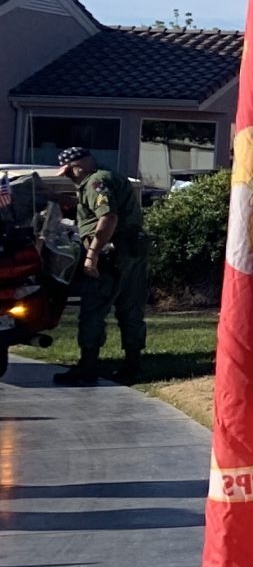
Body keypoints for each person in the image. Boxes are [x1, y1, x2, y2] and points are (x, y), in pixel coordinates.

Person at [53, 146, 147, 387]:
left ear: (78, 166)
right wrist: (74, 203)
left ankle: (88, 366)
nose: (69, 178)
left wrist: (91, 254)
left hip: (109, 257)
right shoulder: (109, 176)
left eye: (69, 173)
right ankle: (133, 365)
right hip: (132, 252)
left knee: (93, 310)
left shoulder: (95, 182)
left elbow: (108, 217)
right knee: (130, 310)